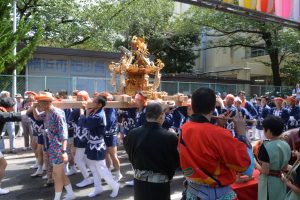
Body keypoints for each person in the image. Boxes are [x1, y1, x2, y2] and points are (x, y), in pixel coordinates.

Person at [178, 87, 251, 200]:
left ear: (192, 106)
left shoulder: (184, 128)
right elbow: (244, 165)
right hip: (216, 194)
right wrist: (242, 134)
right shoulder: (219, 134)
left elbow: (205, 145)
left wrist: (217, 126)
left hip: (192, 192)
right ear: (213, 108)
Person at [124, 101, 179, 200]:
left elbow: (131, 155)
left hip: (139, 180)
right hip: (160, 182)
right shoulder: (170, 136)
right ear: (161, 115)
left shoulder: (132, 134)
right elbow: (174, 162)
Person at [33, 92, 75, 200]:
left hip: (59, 148)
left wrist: (64, 151)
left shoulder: (57, 113)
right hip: (52, 146)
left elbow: (64, 133)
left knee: (56, 175)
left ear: (47, 103)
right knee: (60, 173)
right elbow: (37, 117)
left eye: (40, 103)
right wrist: (33, 107)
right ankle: (70, 194)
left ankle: (57, 197)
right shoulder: (47, 112)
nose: (39, 105)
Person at [79, 95, 119, 198]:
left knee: (101, 169)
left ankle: (115, 186)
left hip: (97, 145)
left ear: (100, 104)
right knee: (93, 168)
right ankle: (98, 188)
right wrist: (86, 111)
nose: (92, 102)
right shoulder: (95, 111)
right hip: (92, 143)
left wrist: (82, 111)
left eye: (94, 101)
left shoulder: (99, 115)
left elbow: (84, 123)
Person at [255, 116, 291, 200]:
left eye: (264, 130)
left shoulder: (266, 146)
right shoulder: (286, 144)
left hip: (269, 183)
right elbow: (285, 167)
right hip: (281, 180)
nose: (264, 132)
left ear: (269, 131)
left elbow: (265, 171)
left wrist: (255, 163)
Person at [0, 97, 26, 195]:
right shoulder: (1, 114)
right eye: (13, 107)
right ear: (9, 107)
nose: (13, 108)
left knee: (3, 163)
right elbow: (14, 116)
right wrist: (30, 110)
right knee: (3, 164)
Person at [68, 91, 94, 188]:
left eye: (80, 97)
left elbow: (71, 121)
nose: (78, 99)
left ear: (85, 98)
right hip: (80, 136)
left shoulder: (87, 108)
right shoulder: (81, 108)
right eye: (77, 97)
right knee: (87, 159)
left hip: (83, 137)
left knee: (78, 159)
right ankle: (94, 177)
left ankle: (88, 178)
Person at [98, 92, 123, 182]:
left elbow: (109, 121)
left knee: (113, 154)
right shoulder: (103, 108)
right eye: (105, 99)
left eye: (109, 99)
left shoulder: (111, 108)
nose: (107, 101)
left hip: (111, 134)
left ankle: (118, 173)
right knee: (105, 154)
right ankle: (107, 172)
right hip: (104, 134)